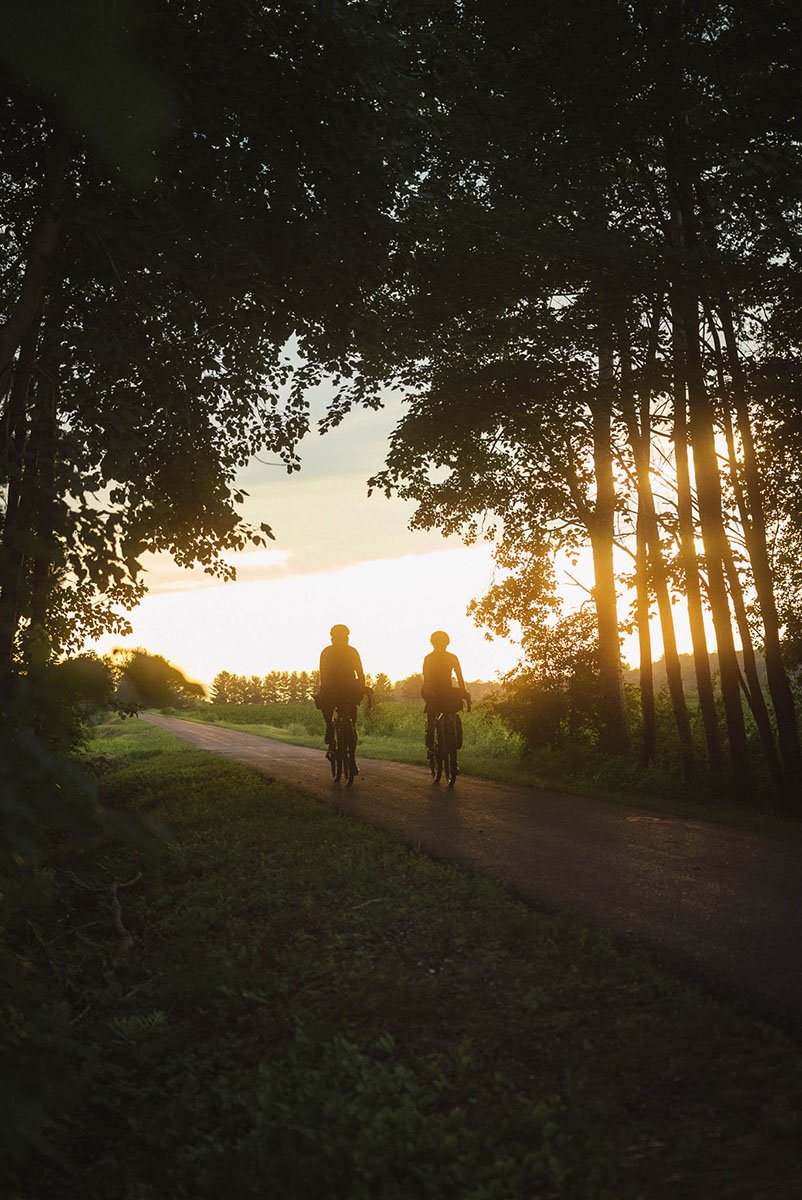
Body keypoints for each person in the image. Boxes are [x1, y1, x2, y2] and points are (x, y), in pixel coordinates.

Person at [316, 624, 366, 753]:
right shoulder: (352, 651)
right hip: (347, 687)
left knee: (325, 703)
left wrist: (324, 689)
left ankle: (330, 727)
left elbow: (323, 674)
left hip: (336, 687)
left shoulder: (327, 651)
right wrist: (361, 686)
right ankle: (339, 730)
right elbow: (360, 673)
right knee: (351, 718)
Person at [421, 631, 469, 761]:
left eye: (442, 642)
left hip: (444, 690)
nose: (441, 645)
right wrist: (428, 694)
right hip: (435, 690)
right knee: (432, 720)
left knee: (446, 717)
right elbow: (427, 680)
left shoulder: (432, 658)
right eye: (439, 642)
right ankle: (431, 747)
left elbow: (459, 677)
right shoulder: (442, 658)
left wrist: (463, 691)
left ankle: (442, 748)